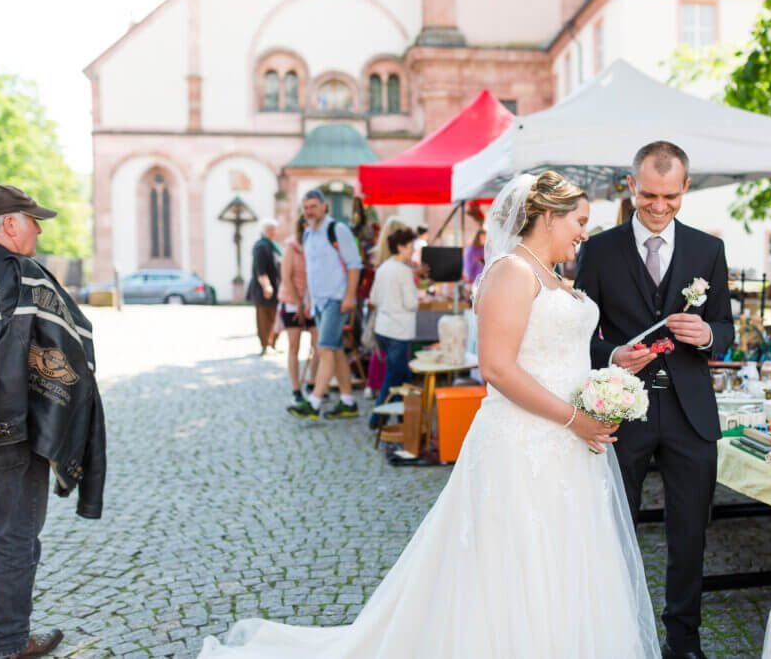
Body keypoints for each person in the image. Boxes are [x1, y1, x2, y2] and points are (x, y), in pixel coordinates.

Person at [199, 171, 659, 658]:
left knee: (564, 557)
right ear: (547, 217)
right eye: (578, 221)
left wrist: (610, 364)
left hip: (569, 445)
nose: (584, 233)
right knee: (515, 560)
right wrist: (573, 417)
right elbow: (497, 368)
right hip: (525, 442)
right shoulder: (512, 272)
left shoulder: (553, 276)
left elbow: (557, 352)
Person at [575, 141, 734, 659]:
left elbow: (726, 328)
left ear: (685, 187)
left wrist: (707, 335)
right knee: (613, 531)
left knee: (689, 537)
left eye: (670, 196)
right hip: (622, 412)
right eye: (648, 195)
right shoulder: (599, 250)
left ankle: (683, 643)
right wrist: (611, 354)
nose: (659, 206)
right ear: (631, 186)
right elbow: (577, 334)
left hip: (691, 416)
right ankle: (617, 637)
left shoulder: (708, 250)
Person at [0, 184, 107, 659]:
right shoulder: (23, 275)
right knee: (17, 535)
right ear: (9, 224)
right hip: (8, 432)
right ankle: (6, 645)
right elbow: (70, 351)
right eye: (33, 220)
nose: (40, 230)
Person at [300, 190, 362, 419]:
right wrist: (309, 300)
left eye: (313, 206)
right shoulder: (307, 234)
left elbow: (354, 264)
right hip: (318, 302)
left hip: (336, 299)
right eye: (306, 207)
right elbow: (311, 271)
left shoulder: (337, 229)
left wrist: (349, 296)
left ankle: (314, 402)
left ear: (324, 206)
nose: (309, 211)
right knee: (335, 352)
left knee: (324, 348)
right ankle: (348, 401)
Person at [366, 227, 418, 429]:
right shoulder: (404, 271)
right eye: (410, 247)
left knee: (403, 378)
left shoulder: (383, 268)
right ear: (400, 247)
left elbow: (373, 298)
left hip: (383, 328)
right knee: (394, 378)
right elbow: (410, 303)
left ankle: (405, 420)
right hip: (399, 331)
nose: (413, 250)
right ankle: (377, 419)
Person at [279, 209, 319, 417]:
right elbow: (286, 276)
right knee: (294, 346)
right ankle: (296, 389)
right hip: (293, 301)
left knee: (318, 345)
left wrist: (309, 303)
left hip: (313, 301)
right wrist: (298, 304)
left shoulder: (317, 246)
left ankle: (312, 382)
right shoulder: (292, 247)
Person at [246, 219, 281, 355]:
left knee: (275, 317)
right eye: (271, 229)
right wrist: (266, 286)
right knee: (264, 318)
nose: (274, 232)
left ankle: (273, 343)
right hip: (263, 289)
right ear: (265, 230)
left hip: (276, 287)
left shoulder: (273, 246)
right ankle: (265, 344)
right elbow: (260, 269)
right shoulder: (261, 246)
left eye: (274, 229)